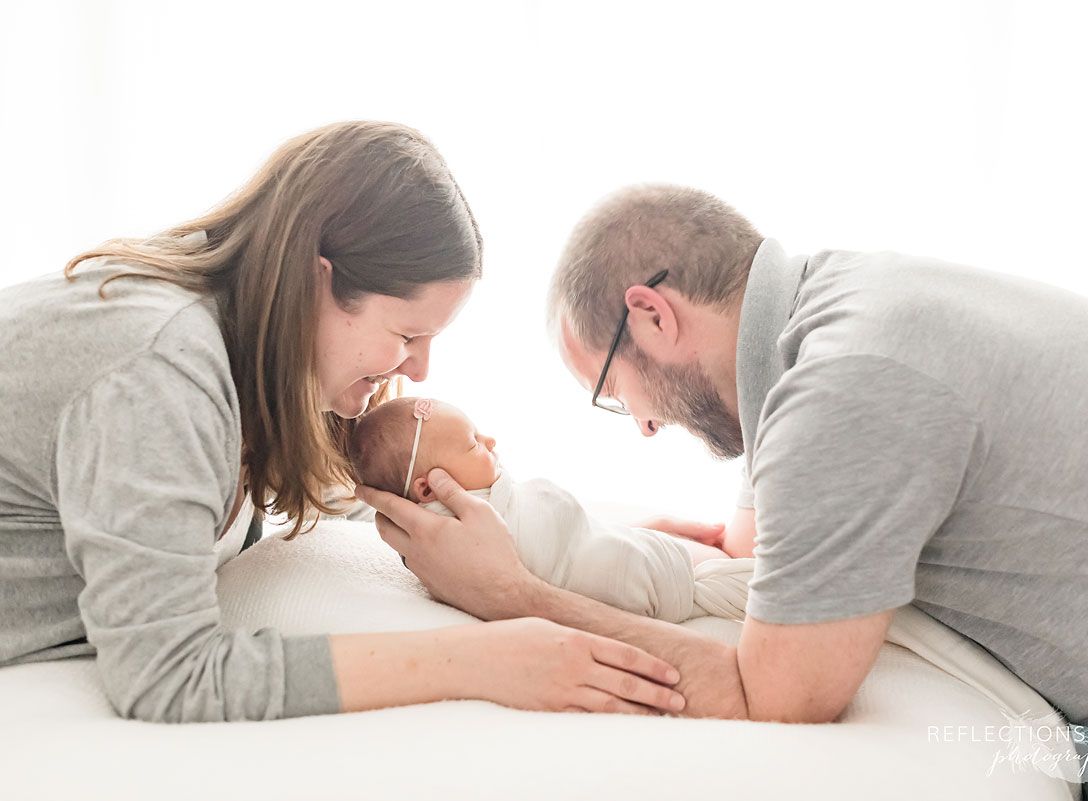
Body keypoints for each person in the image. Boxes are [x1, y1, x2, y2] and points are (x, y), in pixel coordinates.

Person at [355, 183, 1088, 796]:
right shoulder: (829, 306)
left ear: (651, 314)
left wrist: (508, 593)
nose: (643, 427)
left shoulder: (847, 388)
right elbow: (753, 544)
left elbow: (777, 697)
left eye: (614, 394)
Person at [0, 122, 694, 723]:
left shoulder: (249, 370)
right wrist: (480, 660)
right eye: (407, 334)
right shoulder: (159, 373)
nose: (418, 370)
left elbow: (365, 494)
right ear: (317, 282)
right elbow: (168, 673)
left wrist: (580, 540)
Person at [348, 396, 743, 622]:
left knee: (709, 557)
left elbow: (568, 531)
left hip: (616, 545)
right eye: (472, 444)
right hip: (631, 574)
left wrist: (635, 528)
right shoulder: (459, 536)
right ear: (428, 489)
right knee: (716, 566)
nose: (490, 440)